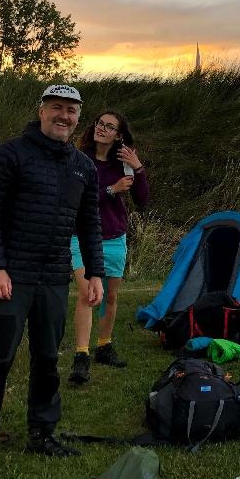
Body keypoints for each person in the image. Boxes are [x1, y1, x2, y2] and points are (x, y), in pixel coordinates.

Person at [0, 84, 105, 479]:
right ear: (41, 111)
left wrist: (94, 272)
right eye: (56, 108)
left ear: (79, 118)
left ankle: (42, 433)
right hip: (12, 277)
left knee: (47, 358)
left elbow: (89, 223)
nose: (64, 116)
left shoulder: (83, 167)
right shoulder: (9, 155)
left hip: (54, 277)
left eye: (72, 111)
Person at [68, 109, 149, 384]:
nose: (101, 128)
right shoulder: (79, 160)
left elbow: (142, 200)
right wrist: (112, 190)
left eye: (109, 126)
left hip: (114, 237)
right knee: (87, 294)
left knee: (111, 298)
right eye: (99, 123)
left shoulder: (122, 164)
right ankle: (81, 356)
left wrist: (138, 167)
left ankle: (104, 346)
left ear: (119, 135)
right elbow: (78, 200)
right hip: (82, 237)